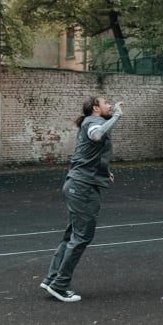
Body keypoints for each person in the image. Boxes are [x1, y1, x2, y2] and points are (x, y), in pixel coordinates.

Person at [41, 95, 124, 302]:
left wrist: (105, 172)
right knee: (81, 237)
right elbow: (96, 136)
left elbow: (90, 153)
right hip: (82, 188)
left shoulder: (91, 120)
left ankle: (52, 279)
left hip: (79, 184)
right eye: (106, 104)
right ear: (96, 108)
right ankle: (60, 285)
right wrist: (117, 117)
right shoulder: (94, 122)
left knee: (72, 235)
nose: (110, 106)